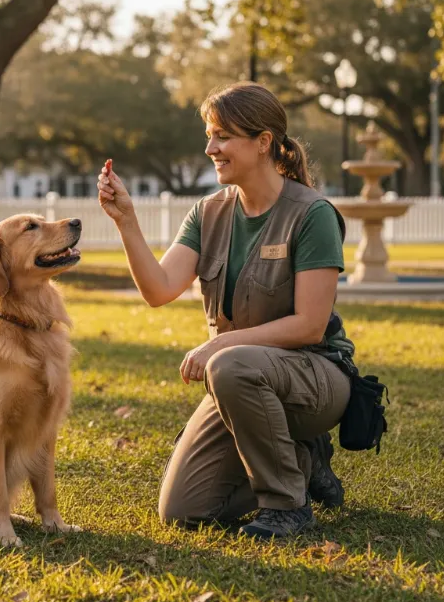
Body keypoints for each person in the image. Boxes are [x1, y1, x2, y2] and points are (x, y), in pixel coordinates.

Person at [97, 82, 354, 539]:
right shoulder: (208, 212)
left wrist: (221, 344)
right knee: (183, 509)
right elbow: (158, 290)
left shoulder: (311, 214)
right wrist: (127, 222)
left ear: (263, 143)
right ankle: (300, 460)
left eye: (223, 136)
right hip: (240, 379)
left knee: (231, 363)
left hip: (315, 380)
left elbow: (311, 326)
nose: (210, 147)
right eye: (210, 134)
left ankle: (287, 506)